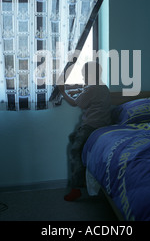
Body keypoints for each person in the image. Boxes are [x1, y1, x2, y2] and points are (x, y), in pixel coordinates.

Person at [58, 61, 111, 201]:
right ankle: (85, 177)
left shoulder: (91, 89)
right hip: (103, 125)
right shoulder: (103, 87)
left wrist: (63, 91)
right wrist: (78, 89)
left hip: (91, 126)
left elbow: (76, 103)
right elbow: (88, 93)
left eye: (84, 74)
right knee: (73, 137)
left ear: (92, 75)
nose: (82, 77)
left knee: (74, 151)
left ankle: (76, 188)